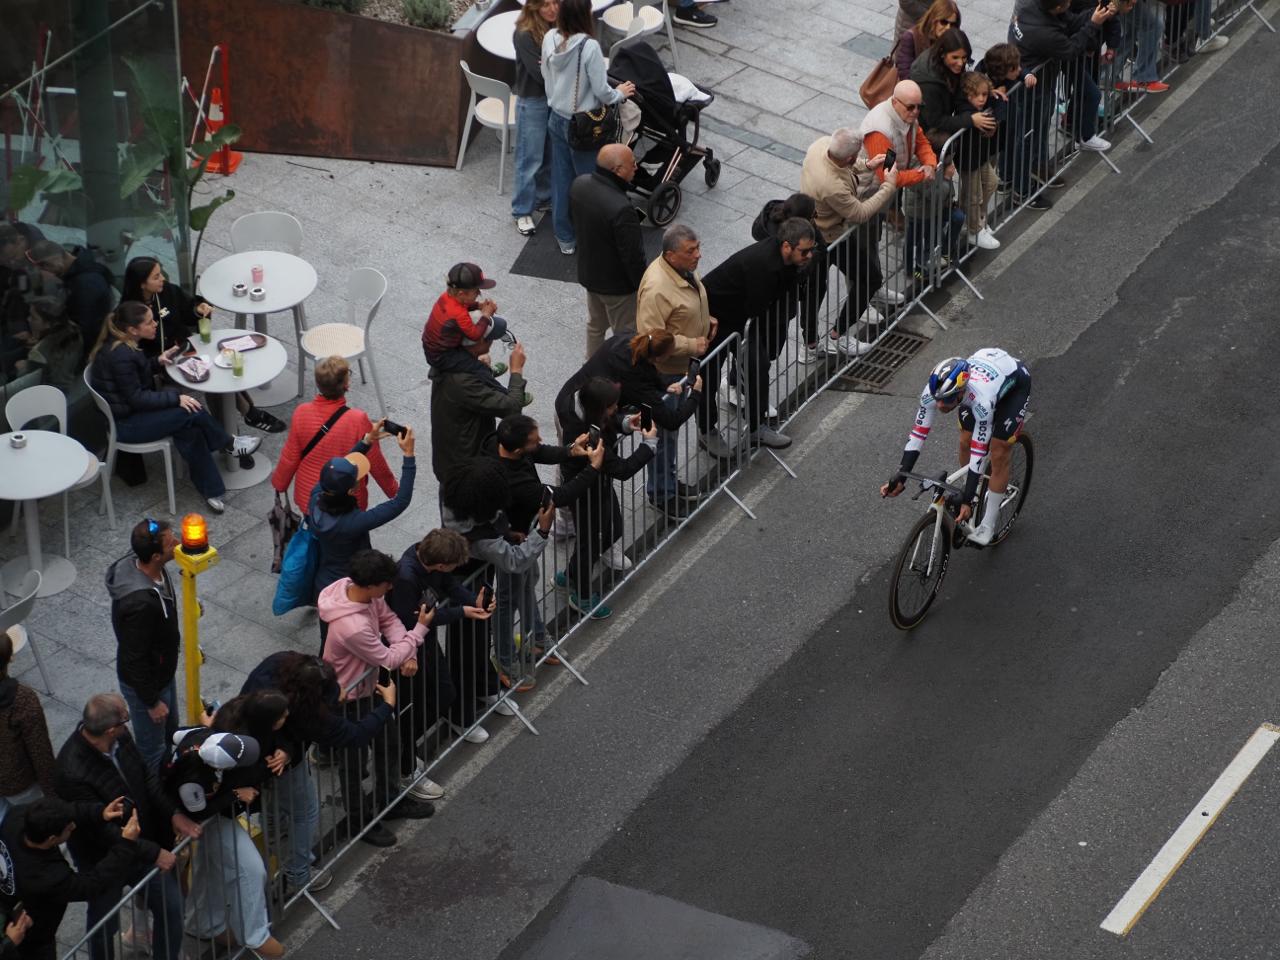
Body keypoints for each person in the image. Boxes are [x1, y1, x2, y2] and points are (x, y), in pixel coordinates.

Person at [54, 694, 199, 960]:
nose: (127, 724)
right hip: (104, 860)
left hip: (142, 845)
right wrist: (154, 853)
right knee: (103, 924)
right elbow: (102, 832)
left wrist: (173, 814)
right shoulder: (70, 771)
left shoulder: (120, 738)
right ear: (111, 729)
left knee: (171, 908)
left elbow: (145, 777)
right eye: (125, 719)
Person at [88, 302, 261, 513]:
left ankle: (213, 490)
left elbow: (132, 381)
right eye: (149, 322)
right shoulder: (121, 355)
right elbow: (136, 398)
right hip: (127, 425)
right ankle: (229, 444)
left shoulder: (123, 345)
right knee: (189, 408)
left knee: (190, 426)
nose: (155, 325)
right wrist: (175, 399)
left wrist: (157, 361)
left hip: (131, 414)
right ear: (133, 329)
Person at [318, 549, 437, 841]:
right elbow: (388, 658)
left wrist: (405, 646)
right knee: (353, 765)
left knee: (389, 745)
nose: (391, 588)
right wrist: (419, 631)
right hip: (348, 701)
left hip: (370, 688)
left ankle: (389, 799)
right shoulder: (352, 627)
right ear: (371, 585)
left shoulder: (359, 591)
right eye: (386, 584)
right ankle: (360, 821)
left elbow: (388, 620)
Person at [242, 651, 399, 856]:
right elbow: (354, 734)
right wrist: (388, 705)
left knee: (274, 809)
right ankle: (298, 868)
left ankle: (287, 853)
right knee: (304, 813)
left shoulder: (277, 664)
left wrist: (334, 692)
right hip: (271, 763)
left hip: (272, 755)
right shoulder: (308, 716)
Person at [482, 416, 602, 680]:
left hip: (523, 533)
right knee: (507, 598)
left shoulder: (498, 441)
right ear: (516, 449)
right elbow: (560, 496)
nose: (540, 442)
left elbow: (538, 453)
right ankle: (504, 659)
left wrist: (570, 449)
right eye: (534, 440)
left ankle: (537, 637)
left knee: (527, 582)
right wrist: (593, 468)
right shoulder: (517, 483)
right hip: (512, 542)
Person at [880, 347, 1031, 545]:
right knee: (964, 441)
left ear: (961, 391)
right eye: (938, 400)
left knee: (998, 451)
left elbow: (979, 451)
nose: (941, 406)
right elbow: (918, 433)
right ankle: (974, 490)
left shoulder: (981, 402)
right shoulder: (932, 393)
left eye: (948, 400)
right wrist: (901, 474)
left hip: (1014, 384)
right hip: (985, 374)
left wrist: (968, 499)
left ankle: (987, 524)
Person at [121, 257, 284, 433]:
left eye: (161, 273)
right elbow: (133, 356)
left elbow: (188, 310)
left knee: (217, 370)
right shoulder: (128, 314)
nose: (163, 279)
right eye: (156, 277)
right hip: (161, 367)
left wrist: (199, 310)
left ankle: (240, 426)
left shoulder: (167, 291)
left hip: (184, 349)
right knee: (211, 381)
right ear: (141, 284)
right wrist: (157, 362)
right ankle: (231, 439)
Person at [162, 724, 284, 958]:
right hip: (197, 818)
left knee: (207, 867)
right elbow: (199, 813)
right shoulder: (192, 782)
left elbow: (175, 734)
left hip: (206, 812)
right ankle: (254, 935)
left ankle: (201, 922)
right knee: (250, 869)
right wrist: (235, 794)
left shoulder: (203, 734)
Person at [701, 218, 817, 451]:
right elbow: (759, 307)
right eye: (804, 252)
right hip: (715, 318)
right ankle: (706, 430)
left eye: (811, 251)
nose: (809, 256)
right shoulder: (763, 266)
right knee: (709, 376)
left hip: (743, 319)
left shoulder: (788, 261)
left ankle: (756, 427)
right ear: (787, 246)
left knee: (759, 365)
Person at [554, 378, 659, 618]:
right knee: (589, 544)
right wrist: (649, 444)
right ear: (598, 408)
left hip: (599, 488)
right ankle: (580, 596)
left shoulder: (589, 418)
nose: (615, 409)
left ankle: (570, 574)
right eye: (612, 407)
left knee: (612, 530)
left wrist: (623, 423)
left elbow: (608, 428)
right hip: (586, 495)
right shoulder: (588, 436)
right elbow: (622, 469)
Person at [541, 0, 636, 255]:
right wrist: (620, 93)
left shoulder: (549, 37)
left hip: (557, 117)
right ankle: (593, 238)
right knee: (592, 183)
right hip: (584, 125)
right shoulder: (589, 47)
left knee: (561, 180)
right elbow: (602, 92)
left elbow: (546, 77)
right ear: (585, 15)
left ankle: (565, 237)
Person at [387, 530, 491, 761]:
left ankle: (412, 742)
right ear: (441, 565)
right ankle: (402, 751)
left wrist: (472, 599)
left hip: (426, 641)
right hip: (409, 649)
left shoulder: (425, 554)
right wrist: (461, 611)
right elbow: (414, 621)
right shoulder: (405, 578)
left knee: (444, 692)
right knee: (412, 705)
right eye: (453, 565)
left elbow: (449, 584)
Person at [635, 224, 716, 514]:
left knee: (670, 437)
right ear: (671, 255)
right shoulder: (657, 288)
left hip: (679, 369)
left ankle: (667, 482)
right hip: (663, 374)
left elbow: (684, 309)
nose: (698, 255)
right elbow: (650, 337)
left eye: (698, 247)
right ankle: (660, 494)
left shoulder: (681, 270)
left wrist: (706, 320)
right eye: (691, 251)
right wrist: (691, 344)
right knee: (661, 436)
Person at [800, 127, 899, 358]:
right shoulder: (832, 186)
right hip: (825, 238)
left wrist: (867, 164)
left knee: (819, 291)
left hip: (824, 232)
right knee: (819, 291)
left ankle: (820, 341)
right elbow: (861, 213)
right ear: (850, 157)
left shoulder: (821, 145)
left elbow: (842, 165)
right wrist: (889, 186)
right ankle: (830, 339)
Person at [1, 797, 140, 960]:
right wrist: (126, 845)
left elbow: (66, 811)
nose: (73, 826)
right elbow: (92, 885)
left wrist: (99, 813)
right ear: (52, 839)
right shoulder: (47, 877)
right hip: (33, 936)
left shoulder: (17, 818)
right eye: (68, 829)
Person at [272, 355, 398, 512]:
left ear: (318, 384)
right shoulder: (358, 419)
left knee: (314, 533)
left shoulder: (301, 412)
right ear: (346, 385)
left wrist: (280, 484)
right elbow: (375, 461)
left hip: (309, 496)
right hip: (346, 499)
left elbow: (290, 456)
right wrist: (395, 492)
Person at [106, 519, 183, 773]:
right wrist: (151, 702)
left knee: (172, 734)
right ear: (156, 556)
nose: (178, 543)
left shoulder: (148, 567)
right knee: (153, 750)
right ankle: (157, 802)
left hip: (161, 672)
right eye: (171, 542)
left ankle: (171, 780)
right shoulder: (139, 605)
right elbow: (133, 657)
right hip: (147, 684)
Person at [308, 423, 416, 604]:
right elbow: (399, 502)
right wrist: (409, 456)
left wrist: (366, 441)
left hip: (325, 583)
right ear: (352, 491)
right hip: (348, 590)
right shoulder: (353, 522)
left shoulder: (316, 496)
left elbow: (339, 472)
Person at [1008, 0, 1116, 156]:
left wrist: (1099, 11)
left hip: (1039, 76)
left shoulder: (1038, 8)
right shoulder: (1046, 33)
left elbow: (1072, 22)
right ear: (1058, 7)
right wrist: (1093, 24)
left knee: (1035, 130)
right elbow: (1070, 49)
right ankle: (1024, 175)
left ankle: (1037, 167)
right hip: (1034, 85)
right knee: (1030, 133)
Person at [569, 143, 646, 357]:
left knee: (595, 326)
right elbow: (633, 256)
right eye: (632, 164)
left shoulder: (579, 184)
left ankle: (591, 371)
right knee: (627, 334)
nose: (636, 167)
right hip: (618, 288)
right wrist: (643, 287)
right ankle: (623, 376)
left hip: (590, 276)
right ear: (618, 170)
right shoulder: (622, 208)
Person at [429, 322, 530, 485]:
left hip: (454, 461)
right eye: (489, 338)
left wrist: (480, 368)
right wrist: (516, 371)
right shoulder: (462, 382)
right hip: (464, 474)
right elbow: (512, 408)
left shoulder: (453, 360)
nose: (492, 341)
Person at [751, 193, 828, 366]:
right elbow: (817, 252)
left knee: (771, 351)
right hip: (773, 302)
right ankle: (735, 381)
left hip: (783, 304)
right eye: (813, 215)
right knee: (761, 349)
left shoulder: (793, 227)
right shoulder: (778, 243)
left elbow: (821, 248)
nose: (816, 219)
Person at [512, 0, 557, 236]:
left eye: (556, 3)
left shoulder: (557, 26)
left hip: (553, 99)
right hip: (533, 101)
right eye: (546, 4)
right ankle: (521, 211)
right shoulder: (524, 34)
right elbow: (540, 74)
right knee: (529, 159)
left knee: (548, 153)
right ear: (534, 7)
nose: (552, 9)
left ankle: (543, 197)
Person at [0, 632, 55, 825]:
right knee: (39, 828)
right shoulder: (22, 700)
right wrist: (53, 794)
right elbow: (40, 750)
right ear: (11, 657)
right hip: (20, 784)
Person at [421, 262, 500, 374]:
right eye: (476, 291)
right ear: (462, 294)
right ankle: (489, 375)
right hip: (443, 357)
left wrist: (479, 305)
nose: (479, 294)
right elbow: (475, 335)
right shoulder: (458, 313)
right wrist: (487, 314)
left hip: (432, 347)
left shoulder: (447, 297)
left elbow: (465, 305)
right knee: (478, 368)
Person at [955, 71, 1002, 250]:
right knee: (974, 195)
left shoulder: (984, 104)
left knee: (991, 182)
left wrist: (995, 95)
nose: (981, 99)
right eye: (976, 95)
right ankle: (974, 230)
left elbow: (999, 104)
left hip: (980, 156)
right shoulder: (966, 110)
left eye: (984, 94)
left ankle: (976, 219)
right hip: (968, 159)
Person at [896, 0, 963, 80]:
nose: (948, 28)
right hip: (914, 88)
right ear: (934, 20)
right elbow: (905, 72)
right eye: (943, 22)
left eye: (952, 24)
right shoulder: (911, 38)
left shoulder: (954, 42)